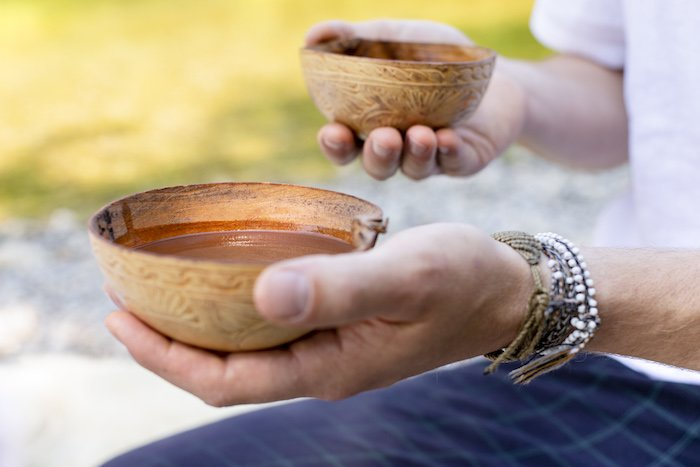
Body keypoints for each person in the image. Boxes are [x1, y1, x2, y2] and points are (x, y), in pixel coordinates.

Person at [103, 1, 700, 465]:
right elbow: (633, 85)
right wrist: (501, 92)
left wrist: (532, 300)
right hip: (622, 368)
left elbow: (524, 300)